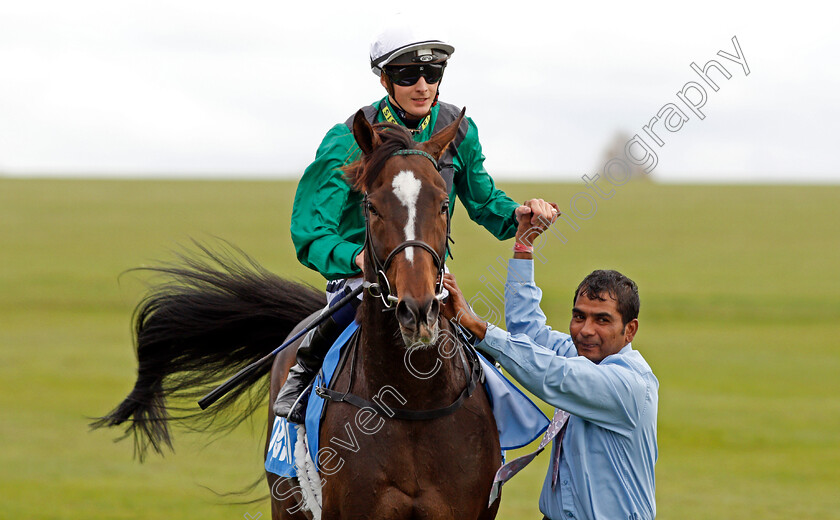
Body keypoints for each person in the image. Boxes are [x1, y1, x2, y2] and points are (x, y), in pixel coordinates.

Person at [273, 21, 556, 423]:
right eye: (409, 75)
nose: (423, 85)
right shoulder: (348, 138)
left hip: (429, 274)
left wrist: (519, 216)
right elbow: (310, 231)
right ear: (386, 79)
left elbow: (483, 199)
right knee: (346, 311)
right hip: (363, 277)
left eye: (433, 74)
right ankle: (300, 377)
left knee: (480, 368)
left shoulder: (458, 130)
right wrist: (356, 259)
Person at [441, 209, 659, 520]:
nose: (585, 330)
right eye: (579, 316)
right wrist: (524, 244)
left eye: (602, 320)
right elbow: (527, 330)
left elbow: (555, 375)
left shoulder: (631, 386)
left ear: (630, 330)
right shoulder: (580, 354)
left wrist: (476, 326)